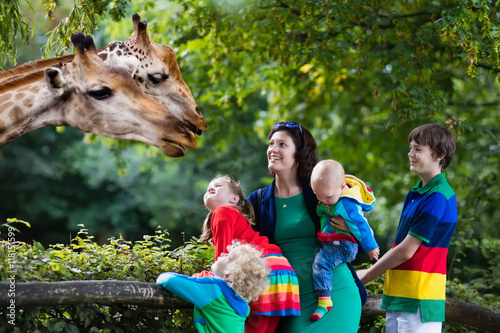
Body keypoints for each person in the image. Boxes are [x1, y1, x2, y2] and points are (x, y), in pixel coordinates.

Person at [247, 121, 366, 333]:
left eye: (282, 144)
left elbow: (360, 229)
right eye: (271, 143)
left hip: (335, 293)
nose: (273, 149)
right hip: (291, 302)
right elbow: (238, 241)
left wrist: (350, 231)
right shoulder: (256, 201)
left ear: (299, 155)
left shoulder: (319, 194)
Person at [357, 123, 457, 333]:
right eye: (411, 148)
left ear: (439, 154)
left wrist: (366, 276)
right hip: (399, 297)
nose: (410, 154)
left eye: (418, 149)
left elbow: (405, 250)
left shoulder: (438, 196)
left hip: (419, 301)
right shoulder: (416, 192)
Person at [200, 175, 301, 333]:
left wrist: (211, 276)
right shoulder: (236, 216)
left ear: (234, 198)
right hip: (282, 272)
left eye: (218, 186)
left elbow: (223, 257)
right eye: (208, 189)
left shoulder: (222, 212)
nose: (210, 188)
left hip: (262, 270)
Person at [309, 159, 379, 321]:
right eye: (317, 195)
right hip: (334, 240)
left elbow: (362, 226)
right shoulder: (330, 193)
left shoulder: (347, 203)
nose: (322, 200)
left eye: (327, 196)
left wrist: (371, 247)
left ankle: (324, 300)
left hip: (343, 244)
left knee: (321, 264)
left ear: (341, 188)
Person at [156, 241, 270, 333]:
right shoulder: (242, 299)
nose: (222, 254)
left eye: (227, 257)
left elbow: (168, 280)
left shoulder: (213, 290)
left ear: (227, 275)